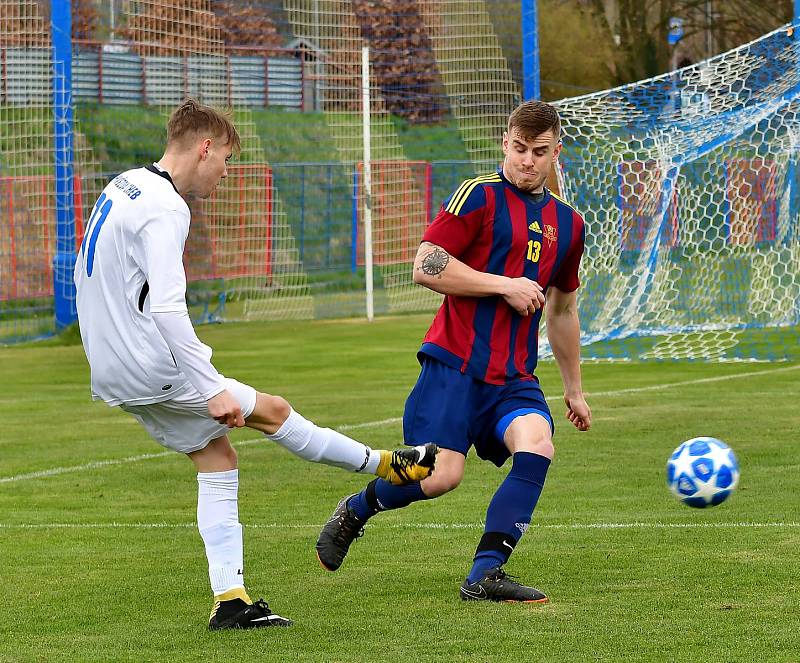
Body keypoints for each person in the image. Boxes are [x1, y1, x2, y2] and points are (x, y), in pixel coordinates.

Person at [73, 99, 437, 630]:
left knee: (216, 459)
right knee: (272, 412)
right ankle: (387, 465)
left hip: (110, 367)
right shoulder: (168, 207)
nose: (226, 171)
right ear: (204, 147)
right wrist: (209, 386)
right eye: (225, 158)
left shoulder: (124, 184)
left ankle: (232, 602)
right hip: (151, 362)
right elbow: (168, 307)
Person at [315, 100, 591, 603]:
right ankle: (358, 508)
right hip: (455, 366)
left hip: (513, 378)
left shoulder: (569, 225)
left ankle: (486, 574)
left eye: (540, 152)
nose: (527, 161)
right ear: (505, 142)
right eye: (519, 148)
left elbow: (564, 311)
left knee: (538, 444)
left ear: (557, 153)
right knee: (441, 476)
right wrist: (504, 285)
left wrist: (574, 389)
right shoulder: (478, 196)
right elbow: (426, 265)